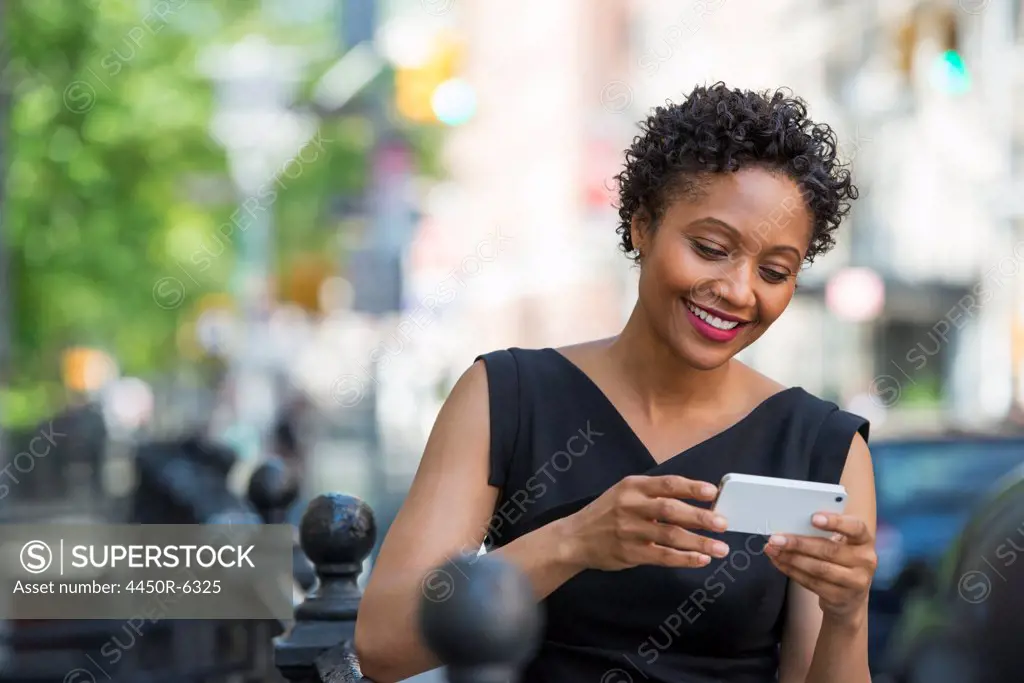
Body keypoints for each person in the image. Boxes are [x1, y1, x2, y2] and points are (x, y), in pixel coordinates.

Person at [354, 83, 876, 683]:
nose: (738, 291)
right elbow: (384, 643)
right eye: (710, 248)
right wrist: (574, 542)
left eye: (774, 271)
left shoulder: (822, 447)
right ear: (642, 226)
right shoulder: (507, 396)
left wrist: (848, 614)